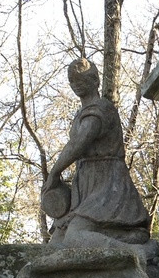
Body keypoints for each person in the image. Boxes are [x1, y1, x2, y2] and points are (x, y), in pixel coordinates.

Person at [42, 58, 152, 247]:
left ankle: (134, 252)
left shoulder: (101, 108)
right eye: (72, 80)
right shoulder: (82, 112)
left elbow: (79, 142)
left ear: (95, 80)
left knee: (74, 238)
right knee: (57, 243)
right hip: (86, 184)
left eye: (81, 79)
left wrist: (55, 172)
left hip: (107, 184)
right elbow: (75, 144)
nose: (76, 84)